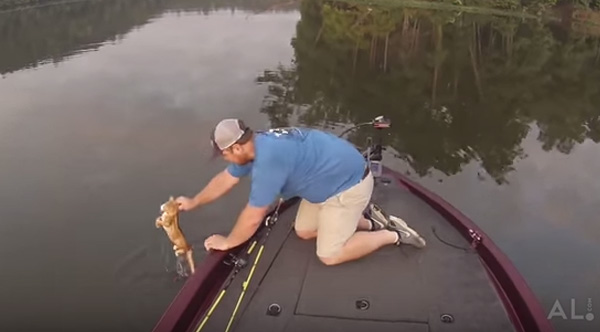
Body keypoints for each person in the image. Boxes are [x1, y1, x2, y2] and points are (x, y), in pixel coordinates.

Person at [176, 119, 425, 266]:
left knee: (329, 254)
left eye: (225, 154)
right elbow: (226, 179)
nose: (224, 159)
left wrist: (229, 242)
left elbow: (253, 216)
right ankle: (369, 222)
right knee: (304, 231)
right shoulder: (256, 145)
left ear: (238, 147)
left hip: (349, 186)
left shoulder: (269, 159)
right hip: (325, 182)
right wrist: (194, 201)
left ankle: (392, 234)